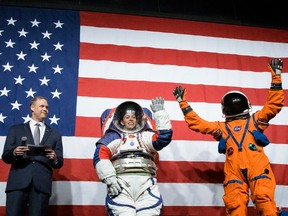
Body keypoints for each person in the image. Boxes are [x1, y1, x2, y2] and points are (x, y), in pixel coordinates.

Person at [173, 58, 285, 215]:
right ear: (247, 105)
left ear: (225, 109)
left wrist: (183, 104)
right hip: (243, 169)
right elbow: (274, 105)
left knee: (249, 201)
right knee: (247, 202)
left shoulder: (227, 127)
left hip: (246, 169)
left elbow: (198, 124)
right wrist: (276, 76)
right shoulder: (254, 121)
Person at [93, 97, 173, 215]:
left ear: (138, 120)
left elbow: (163, 139)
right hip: (121, 184)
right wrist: (109, 178)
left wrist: (160, 113)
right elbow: (100, 154)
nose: (131, 120)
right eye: (127, 117)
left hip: (146, 183)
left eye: (133, 117)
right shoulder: (114, 137)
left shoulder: (145, 136)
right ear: (121, 121)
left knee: (150, 213)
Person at [2, 96, 64, 216]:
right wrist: (15, 153)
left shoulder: (55, 135)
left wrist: (55, 158)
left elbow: (59, 163)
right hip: (18, 183)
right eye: (42, 106)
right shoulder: (15, 130)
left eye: (46, 107)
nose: (45, 109)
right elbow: (5, 156)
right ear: (32, 107)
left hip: (41, 186)